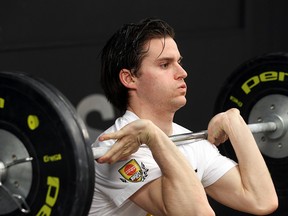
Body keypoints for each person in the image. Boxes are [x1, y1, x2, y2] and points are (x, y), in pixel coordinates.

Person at [89, 18, 278, 216]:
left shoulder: (192, 143)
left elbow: (261, 200)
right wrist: (153, 136)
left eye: (179, 62)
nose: (183, 73)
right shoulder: (117, 150)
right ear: (130, 78)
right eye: (164, 65)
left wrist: (235, 122)